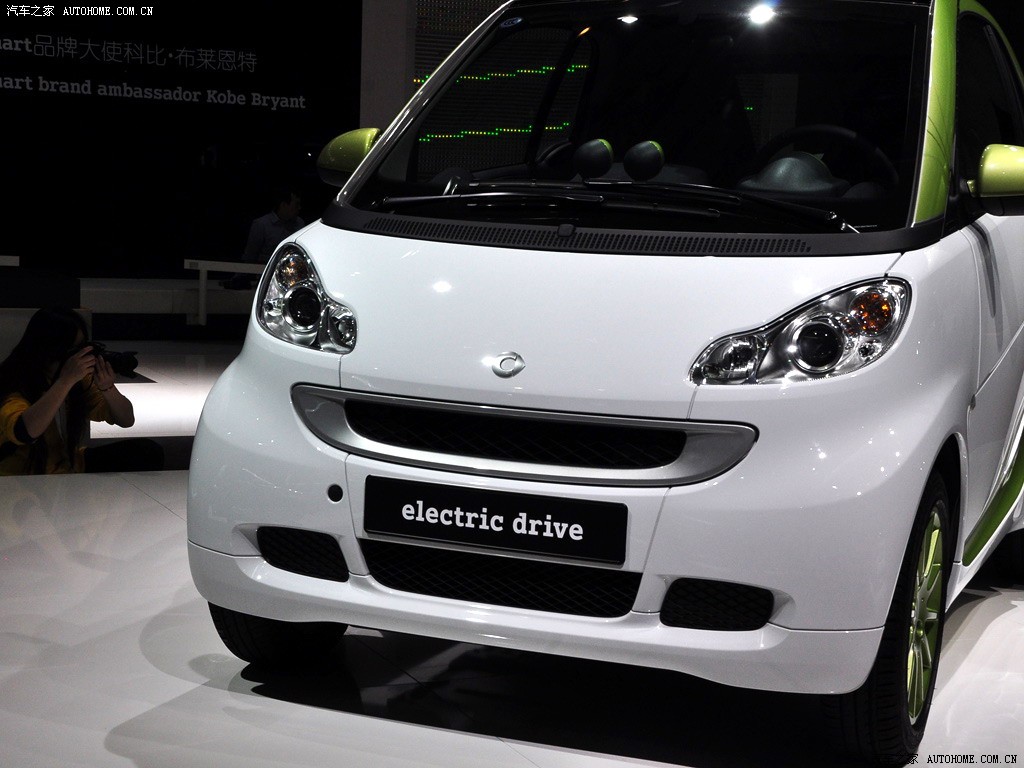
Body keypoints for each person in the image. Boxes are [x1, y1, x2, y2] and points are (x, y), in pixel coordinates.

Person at [0, 307, 163, 475]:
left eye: (84, 347)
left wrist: (108, 388)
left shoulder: (76, 380)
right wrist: (65, 381)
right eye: (75, 350)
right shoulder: (14, 382)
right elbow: (24, 432)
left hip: (69, 465)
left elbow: (126, 419)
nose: (82, 356)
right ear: (51, 350)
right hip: (25, 477)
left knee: (147, 451)